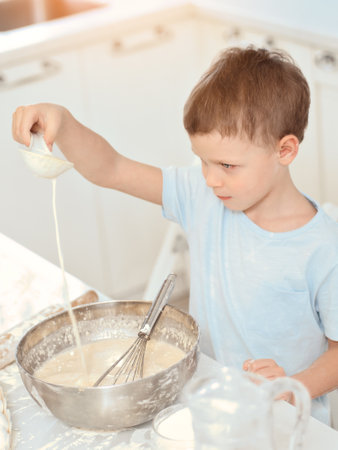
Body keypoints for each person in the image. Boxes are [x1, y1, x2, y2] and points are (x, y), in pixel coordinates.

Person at [12, 46, 338, 425]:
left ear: (285, 150)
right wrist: (63, 123)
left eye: (227, 165)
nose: (211, 177)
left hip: (283, 422)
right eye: (202, 160)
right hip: (206, 400)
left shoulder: (323, 250)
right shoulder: (202, 197)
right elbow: (111, 168)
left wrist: (293, 385)